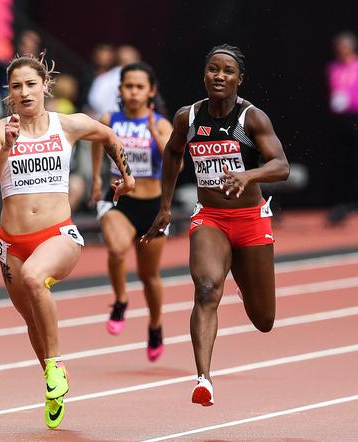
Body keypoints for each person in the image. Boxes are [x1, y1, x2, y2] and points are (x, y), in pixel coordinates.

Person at [0, 52, 135, 429]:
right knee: (33, 320)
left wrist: (126, 177)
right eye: (16, 86)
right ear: (9, 94)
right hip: (11, 243)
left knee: (35, 279)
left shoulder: (68, 125)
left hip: (58, 235)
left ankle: (55, 365)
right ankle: (54, 386)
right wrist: (6, 147)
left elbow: (109, 134)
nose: (25, 92)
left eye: (31, 84)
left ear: (45, 86)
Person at [141, 44, 289, 406]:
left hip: (251, 220)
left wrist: (248, 175)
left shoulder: (251, 119)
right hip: (210, 217)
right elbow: (174, 152)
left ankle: (242, 278)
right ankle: (203, 378)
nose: (219, 76)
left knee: (264, 319)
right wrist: (164, 207)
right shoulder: (188, 118)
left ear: (239, 78)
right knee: (206, 289)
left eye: (227, 71)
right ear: (204, 74)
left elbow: (281, 165)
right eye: (212, 69)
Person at [90, 62, 172, 362]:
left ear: (151, 90)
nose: (134, 92)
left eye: (140, 87)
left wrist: (155, 134)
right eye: (128, 86)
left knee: (150, 276)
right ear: (120, 89)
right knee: (116, 248)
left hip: (153, 206)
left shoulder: (161, 123)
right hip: (119, 202)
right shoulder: (110, 118)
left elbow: (178, 163)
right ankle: (121, 299)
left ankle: (155, 325)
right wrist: (98, 179)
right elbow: (98, 143)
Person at [325, 31, 358, 225]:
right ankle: (340, 196)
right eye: (338, 47)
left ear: (351, 47)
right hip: (341, 116)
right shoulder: (333, 67)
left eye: (343, 46)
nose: (340, 50)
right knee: (341, 157)